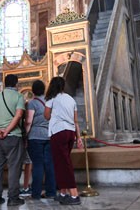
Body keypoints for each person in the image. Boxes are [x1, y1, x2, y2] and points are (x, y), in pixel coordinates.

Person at [0, 74, 26, 206]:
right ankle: (13, 198)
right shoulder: (19, 96)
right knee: (14, 167)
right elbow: (19, 115)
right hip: (13, 136)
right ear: (16, 84)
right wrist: (7, 130)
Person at [44, 76, 82, 206]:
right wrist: (79, 137)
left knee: (64, 164)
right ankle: (63, 193)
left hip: (59, 132)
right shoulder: (71, 99)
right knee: (62, 163)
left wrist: (56, 114)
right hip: (71, 133)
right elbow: (76, 121)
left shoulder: (51, 98)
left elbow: (46, 116)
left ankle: (74, 195)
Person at [25, 79, 56, 200]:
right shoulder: (50, 101)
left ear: (33, 90)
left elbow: (29, 121)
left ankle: (36, 193)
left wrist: (25, 135)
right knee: (49, 164)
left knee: (38, 164)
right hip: (49, 136)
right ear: (44, 90)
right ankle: (51, 192)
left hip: (35, 137)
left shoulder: (32, 103)